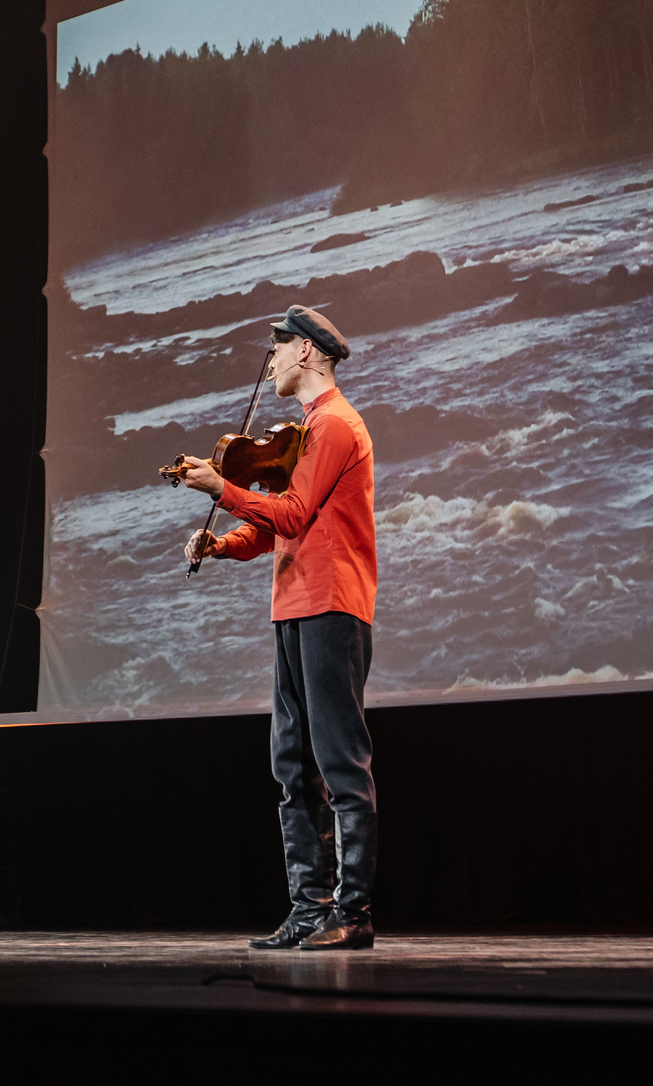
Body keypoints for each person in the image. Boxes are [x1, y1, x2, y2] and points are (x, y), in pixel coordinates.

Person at [175, 304, 379, 951]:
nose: (271, 360)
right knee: (291, 763)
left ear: (310, 353)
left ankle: (354, 911)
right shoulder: (306, 431)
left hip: (332, 607)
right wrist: (220, 543)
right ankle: (310, 908)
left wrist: (221, 486)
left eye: (279, 347)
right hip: (294, 607)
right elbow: (271, 532)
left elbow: (291, 512)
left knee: (340, 763)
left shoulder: (338, 426)